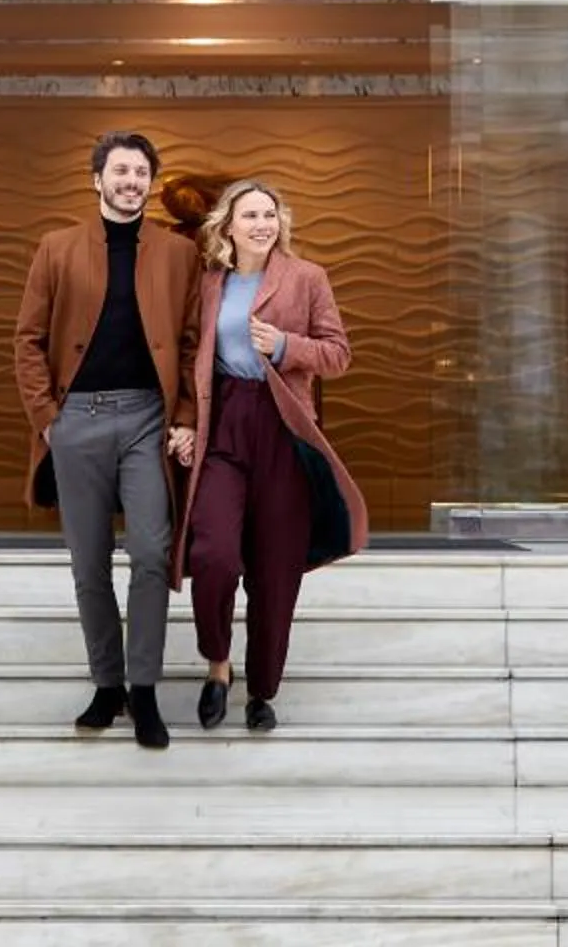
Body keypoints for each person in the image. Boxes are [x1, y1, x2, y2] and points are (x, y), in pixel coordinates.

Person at [11, 129, 201, 750]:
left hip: (148, 417)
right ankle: (107, 684)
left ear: (150, 182)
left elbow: (194, 341)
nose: (131, 182)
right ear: (97, 179)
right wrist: (48, 418)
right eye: (120, 171)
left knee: (150, 553)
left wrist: (185, 414)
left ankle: (144, 690)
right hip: (77, 422)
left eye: (141, 173)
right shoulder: (57, 247)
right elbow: (28, 340)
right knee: (88, 562)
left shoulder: (177, 252)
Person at [172, 175, 368, 732]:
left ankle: (262, 691)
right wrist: (185, 422)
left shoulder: (307, 278)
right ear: (227, 226)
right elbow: (192, 361)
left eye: (270, 214)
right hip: (224, 427)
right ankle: (217, 667)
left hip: (284, 428)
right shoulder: (209, 281)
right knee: (211, 555)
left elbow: (338, 355)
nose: (262, 224)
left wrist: (284, 346)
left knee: (275, 573)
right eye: (250, 215)